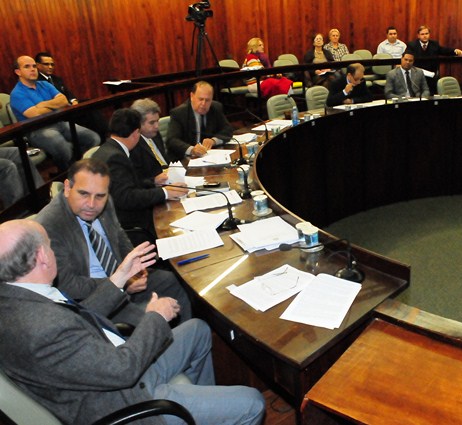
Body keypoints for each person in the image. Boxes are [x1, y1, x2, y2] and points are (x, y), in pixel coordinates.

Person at [0, 219, 265, 425]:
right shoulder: (40, 326)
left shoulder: (19, 295)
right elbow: (122, 370)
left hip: (108, 369)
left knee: (198, 329)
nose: (53, 251)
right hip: (126, 401)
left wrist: (119, 278)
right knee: (252, 403)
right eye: (50, 245)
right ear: (42, 256)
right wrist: (155, 317)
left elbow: (77, 319)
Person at [35, 158, 192, 322]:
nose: (91, 204)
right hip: (91, 299)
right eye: (84, 194)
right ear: (67, 188)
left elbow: (119, 236)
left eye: (100, 196)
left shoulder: (106, 201)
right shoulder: (49, 226)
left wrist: (134, 267)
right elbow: (68, 285)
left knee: (172, 281)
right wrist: (119, 282)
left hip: (121, 278)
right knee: (155, 317)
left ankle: (183, 333)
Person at [93, 109, 188, 243]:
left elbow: (124, 185)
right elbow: (127, 197)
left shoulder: (108, 149)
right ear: (136, 133)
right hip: (129, 222)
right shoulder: (116, 157)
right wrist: (165, 193)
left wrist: (153, 181)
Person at [10, 56, 100, 171]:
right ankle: (69, 173)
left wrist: (43, 104)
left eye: (34, 66)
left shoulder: (45, 84)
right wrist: (55, 106)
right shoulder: (17, 94)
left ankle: (81, 168)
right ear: (18, 72)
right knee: (65, 150)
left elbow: (64, 101)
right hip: (37, 130)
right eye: (27, 67)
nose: (32, 69)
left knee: (93, 138)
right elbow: (35, 114)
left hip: (59, 123)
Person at [35, 51, 109, 141]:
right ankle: (103, 136)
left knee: (89, 104)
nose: (50, 67)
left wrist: (73, 100)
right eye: (46, 64)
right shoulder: (37, 82)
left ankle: (104, 134)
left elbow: (68, 93)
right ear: (38, 65)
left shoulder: (56, 79)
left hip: (70, 107)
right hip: (58, 112)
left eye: (52, 64)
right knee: (88, 115)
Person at [165, 81, 233, 162]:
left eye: (207, 100)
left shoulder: (216, 107)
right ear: (192, 96)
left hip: (209, 158)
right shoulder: (179, 113)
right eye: (200, 99)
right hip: (184, 160)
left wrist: (213, 140)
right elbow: (172, 140)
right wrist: (192, 149)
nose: (203, 104)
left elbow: (228, 129)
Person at [406, 25, 462, 95]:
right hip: (418, 75)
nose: (425, 36)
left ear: (429, 34)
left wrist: (454, 51)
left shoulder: (434, 44)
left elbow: (443, 50)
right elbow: (407, 56)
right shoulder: (412, 45)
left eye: (426, 33)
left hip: (432, 74)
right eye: (422, 34)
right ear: (418, 35)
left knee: (432, 93)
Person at [130, 98, 169, 184]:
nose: (157, 126)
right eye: (152, 123)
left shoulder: (155, 134)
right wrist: (154, 180)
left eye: (157, 121)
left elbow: (165, 159)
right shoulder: (133, 144)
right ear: (138, 123)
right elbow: (138, 180)